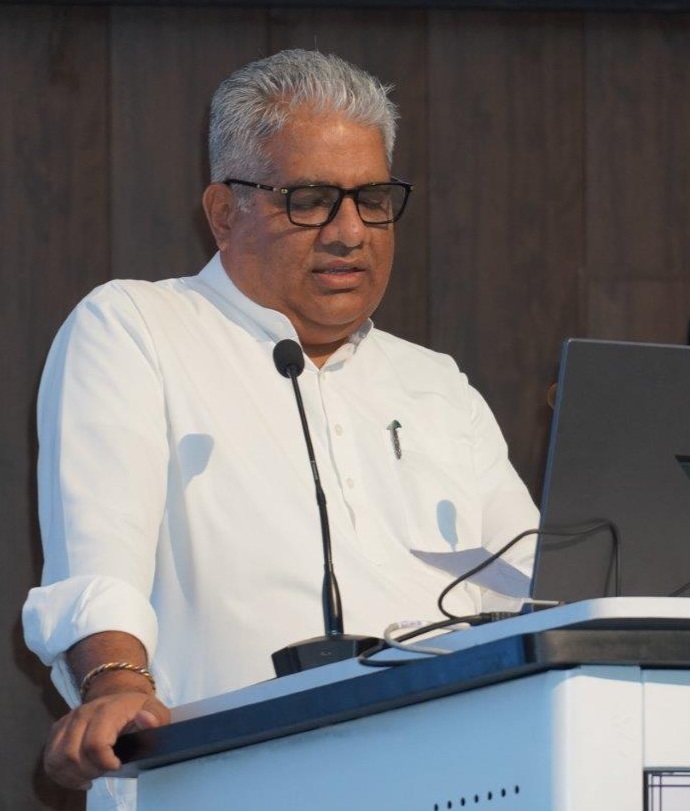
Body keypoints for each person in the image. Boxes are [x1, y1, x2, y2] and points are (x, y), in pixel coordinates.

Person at [23, 49, 539, 811]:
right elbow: (97, 562)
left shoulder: (435, 382)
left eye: (372, 198)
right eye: (310, 199)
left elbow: (539, 586)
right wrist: (116, 682)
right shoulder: (139, 326)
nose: (349, 232)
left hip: (459, 780)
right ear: (223, 211)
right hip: (227, 784)